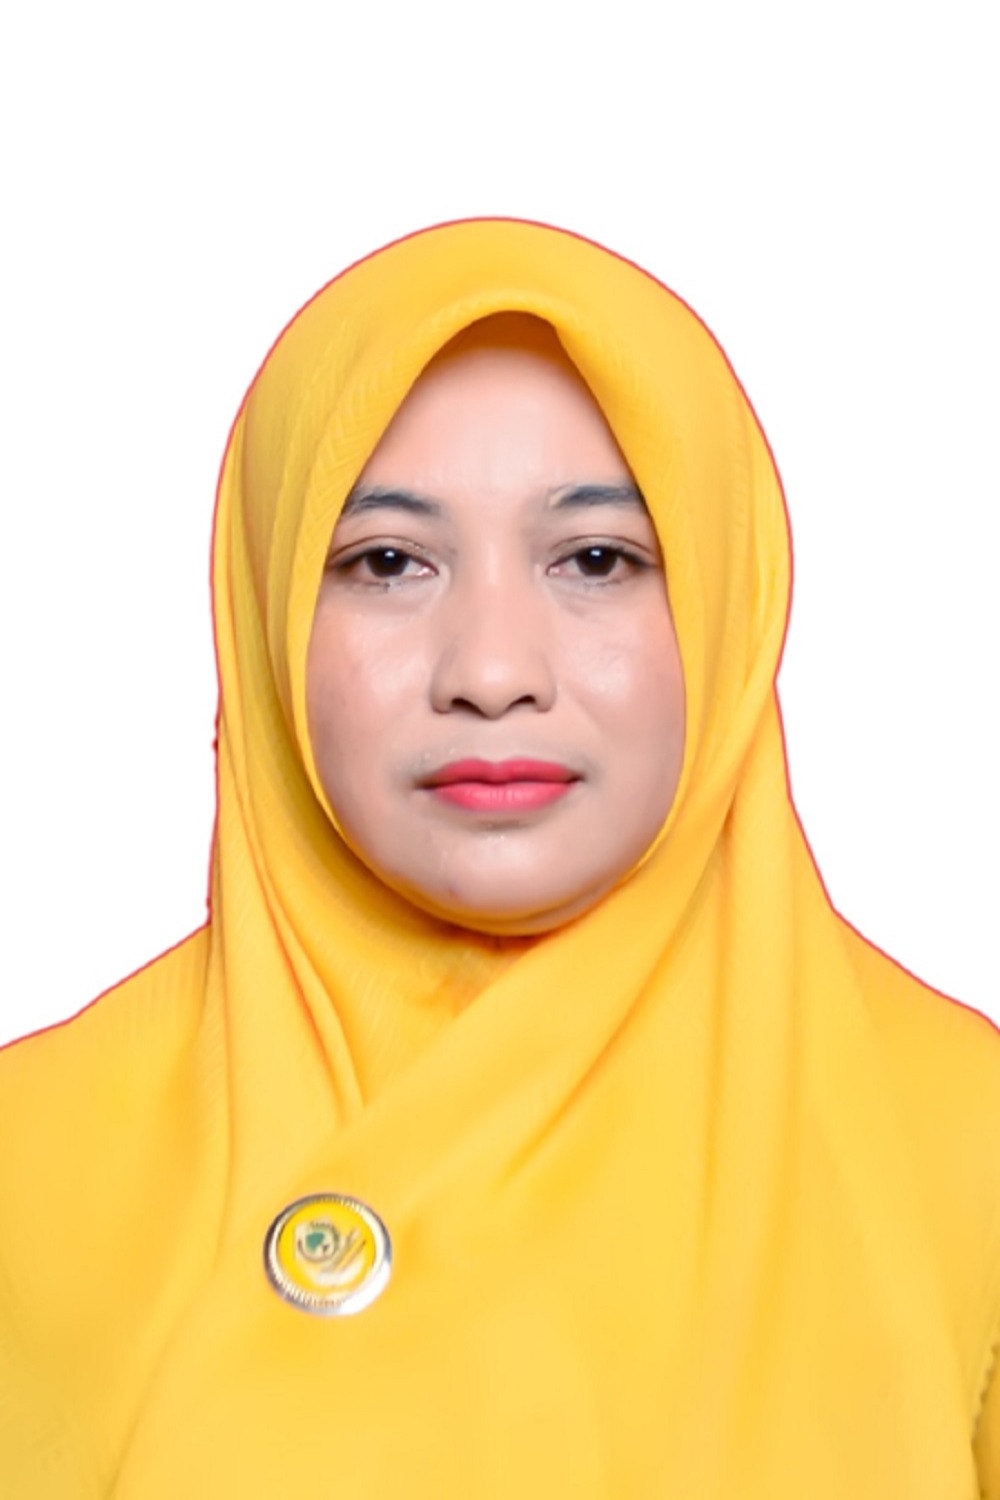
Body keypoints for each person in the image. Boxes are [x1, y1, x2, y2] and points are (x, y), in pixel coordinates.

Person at [1, 217, 997, 1498]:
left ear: (728, 597)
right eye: (386, 562)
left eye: (596, 560)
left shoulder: (961, 1146)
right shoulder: (30, 1166)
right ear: (264, 605)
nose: (489, 671)